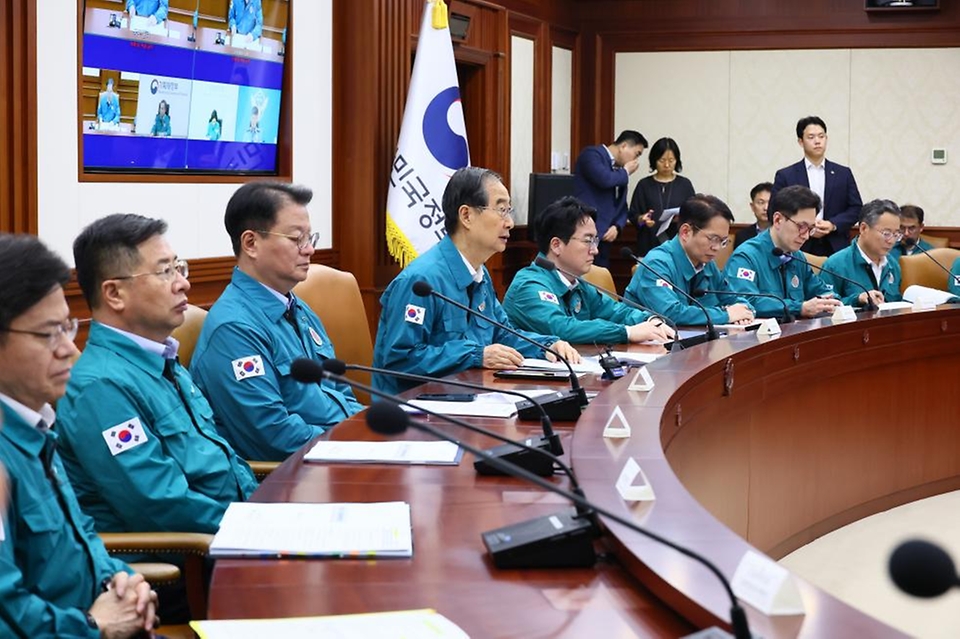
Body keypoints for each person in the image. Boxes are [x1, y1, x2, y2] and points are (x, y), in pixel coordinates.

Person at [56, 214, 257, 538]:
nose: (183, 283)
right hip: (194, 563)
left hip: (238, 527)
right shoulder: (101, 388)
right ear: (114, 294)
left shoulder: (161, 357)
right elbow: (162, 505)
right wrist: (256, 527)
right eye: (165, 272)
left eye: (180, 268)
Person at [0, 234, 158, 638]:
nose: (70, 349)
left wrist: (122, 582)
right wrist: (95, 625)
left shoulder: (36, 425)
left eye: (68, 327)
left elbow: (81, 535)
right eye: (48, 334)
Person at [191, 182, 363, 461]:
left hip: (339, 452)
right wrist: (357, 442)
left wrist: (369, 431)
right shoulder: (234, 329)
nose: (309, 250)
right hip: (293, 475)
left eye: (311, 238)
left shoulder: (298, 308)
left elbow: (341, 393)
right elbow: (273, 436)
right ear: (251, 243)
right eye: (297, 239)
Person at [373, 167, 582, 395]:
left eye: (509, 210)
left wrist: (546, 345)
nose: (510, 222)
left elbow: (502, 333)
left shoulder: (479, 274)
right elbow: (399, 359)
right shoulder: (421, 281)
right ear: (466, 216)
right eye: (501, 210)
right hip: (416, 412)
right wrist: (475, 355)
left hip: (472, 397)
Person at [502, 196, 674, 345]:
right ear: (556, 245)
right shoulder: (529, 285)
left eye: (595, 241)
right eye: (587, 241)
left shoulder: (577, 283)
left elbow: (616, 311)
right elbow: (562, 328)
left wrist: (650, 321)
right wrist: (627, 332)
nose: (595, 250)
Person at [625, 194, 755, 327]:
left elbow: (733, 298)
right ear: (686, 232)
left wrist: (746, 310)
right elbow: (670, 314)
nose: (717, 248)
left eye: (723, 241)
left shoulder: (708, 263)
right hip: (649, 344)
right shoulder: (657, 263)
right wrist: (726, 315)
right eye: (713, 239)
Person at [725, 185, 841, 319]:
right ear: (778, 220)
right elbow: (747, 302)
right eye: (801, 227)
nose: (806, 236)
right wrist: (799, 308)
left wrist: (831, 300)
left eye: (810, 228)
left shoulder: (797, 256)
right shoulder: (746, 257)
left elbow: (820, 289)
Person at [771, 116, 862, 256]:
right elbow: (773, 210)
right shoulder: (786, 175)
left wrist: (832, 224)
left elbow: (856, 208)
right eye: (811, 137)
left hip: (835, 246)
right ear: (800, 142)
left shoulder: (843, 173)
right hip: (798, 245)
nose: (817, 141)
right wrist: (804, 226)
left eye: (821, 136)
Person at [571, 130, 647, 267]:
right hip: (586, 232)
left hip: (606, 238)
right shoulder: (592, 155)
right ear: (623, 146)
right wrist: (625, 172)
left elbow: (622, 206)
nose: (635, 161)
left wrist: (617, 226)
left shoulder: (620, 172)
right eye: (637, 154)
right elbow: (604, 180)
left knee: (600, 282)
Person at [819, 200, 902, 307]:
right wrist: (857, 300)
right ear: (863, 228)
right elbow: (824, 307)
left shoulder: (893, 265)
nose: (891, 241)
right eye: (886, 233)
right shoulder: (835, 265)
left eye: (896, 235)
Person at [628, 137, 697, 257]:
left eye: (671, 160)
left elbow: (694, 214)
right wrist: (642, 219)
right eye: (662, 160)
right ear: (654, 160)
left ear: (677, 161)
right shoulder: (644, 185)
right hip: (648, 245)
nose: (666, 165)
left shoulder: (685, 184)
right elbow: (633, 215)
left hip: (678, 246)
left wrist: (682, 218)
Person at [734, 182, 773, 248]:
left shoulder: (784, 234)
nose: (766, 208)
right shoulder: (742, 236)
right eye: (761, 203)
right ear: (752, 207)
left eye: (770, 203)